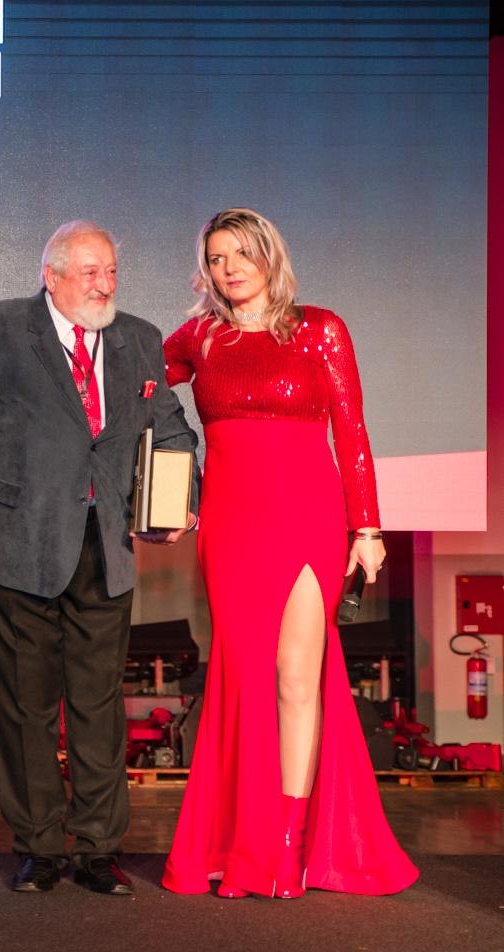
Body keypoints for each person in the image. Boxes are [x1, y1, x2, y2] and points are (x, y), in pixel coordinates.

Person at [160, 208, 418, 898]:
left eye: (241, 254)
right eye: (216, 259)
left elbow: (352, 432)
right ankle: (240, 842)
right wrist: (168, 489)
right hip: (230, 523)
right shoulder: (198, 337)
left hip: (309, 515)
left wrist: (367, 529)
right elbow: (138, 396)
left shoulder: (320, 329)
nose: (229, 269)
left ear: (269, 256)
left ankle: (285, 841)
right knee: (241, 678)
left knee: (298, 677)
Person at [0, 220, 199, 897]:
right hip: (14, 547)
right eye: (90, 272)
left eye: (111, 271)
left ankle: (97, 849)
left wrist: (178, 502)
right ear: (51, 275)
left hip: (106, 549)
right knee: (24, 709)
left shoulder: (139, 339)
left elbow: (171, 429)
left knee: (99, 708)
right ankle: (38, 847)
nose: (104, 285)